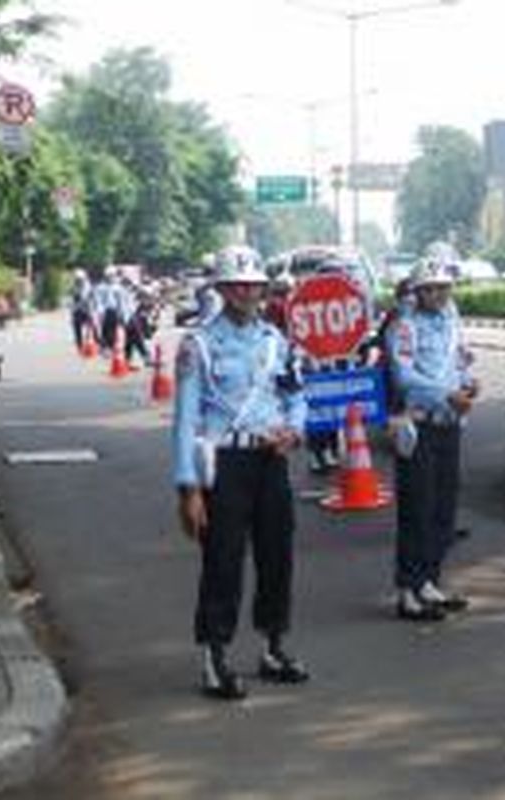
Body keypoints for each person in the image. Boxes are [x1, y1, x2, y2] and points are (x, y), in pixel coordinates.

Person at [172, 245, 311, 701]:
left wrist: (293, 431)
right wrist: (188, 488)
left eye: (254, 284)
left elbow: (296, 393)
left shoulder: (274, 340)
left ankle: (273, 647)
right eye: (238, 285)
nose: (247, 292)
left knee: (278, 556)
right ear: (223, 290)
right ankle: (214, 658)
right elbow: (186, 419)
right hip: (225, 463)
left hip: (270, 459)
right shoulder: (199, 345)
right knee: (223, 561)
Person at [386, 260, 478, 621]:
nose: (438, 294)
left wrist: (468, 384)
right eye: (431, 288)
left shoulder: (451, 323)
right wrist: (447, 395)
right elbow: (404, 378)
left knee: (444, 507)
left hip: (449, 423)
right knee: (417, 509)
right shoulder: (405, 327)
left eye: (444, 287)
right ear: (418, 291)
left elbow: (459, 365)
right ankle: (408, 591)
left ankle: (430, 581)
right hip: (419, 424)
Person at [70, 270, 93, 352]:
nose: (79, 281)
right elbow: (73, 299)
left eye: (80, 279)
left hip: (86, 309)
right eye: (77, 279)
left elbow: (84, 297)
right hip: (77, 310)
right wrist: (72, 311)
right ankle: (79, 345)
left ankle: (88, 342)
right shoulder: (74, 286)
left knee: (89, 327)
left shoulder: (87, 285)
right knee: (77, 327)